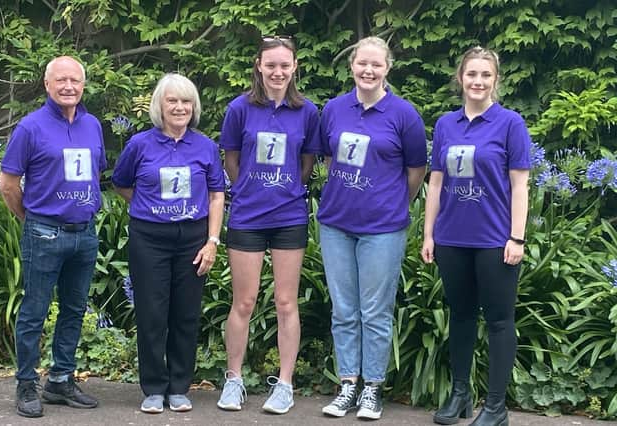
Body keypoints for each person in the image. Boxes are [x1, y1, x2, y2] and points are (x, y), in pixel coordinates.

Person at [318, 36, 427, 420]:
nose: (368, 70)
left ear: (387, 69)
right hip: (335, 224)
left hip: (383, 227)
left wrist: (396, 202)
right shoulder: (333, 110)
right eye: (362, 63)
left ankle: (372, 390)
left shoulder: (404, 115)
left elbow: (416, 171)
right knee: (344, 310)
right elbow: (330, 159)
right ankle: (348, 385)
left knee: (375, 311)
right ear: (352, 66)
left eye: (376, 65)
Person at [421, 46, 530, 426]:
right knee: (462, 317)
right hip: (452, 238)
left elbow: (520, 186)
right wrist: (429, 234)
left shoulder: (510, 123)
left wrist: (517, 238)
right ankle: (460, 396)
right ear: (460, 78)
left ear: (495, 80)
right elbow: (435, 185)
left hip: (495, 241)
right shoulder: (445, 125)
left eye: (485, 75)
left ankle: (496, 408)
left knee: (499, 321)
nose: (478, 82)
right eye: (471, 74)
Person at [216, 35, 320, 415]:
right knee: (243, 302)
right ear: (258, 66)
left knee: (285, 301)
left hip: (289, 216)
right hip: (247, 216)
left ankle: (286, 384)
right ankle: (233, 380)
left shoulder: (307, 112)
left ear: (295, 68)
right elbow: (231, 158)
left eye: (285, 65)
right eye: (270, 65)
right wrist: (246, 189)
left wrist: (290, 188)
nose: (278, 72)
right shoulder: (239, 109)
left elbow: (307, 161)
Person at [0, 56, 105, 418]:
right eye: (61, 80)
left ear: (83, 85)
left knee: (74, 309)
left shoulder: (92, 125)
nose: (68, 86)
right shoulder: (30, 127)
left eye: (75, 80)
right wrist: (31, 219)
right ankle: (26, 383)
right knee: (34, 311)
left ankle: (60, 379)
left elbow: (93, 174)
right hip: (44, 232)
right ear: (47, 85)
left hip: (84, 234)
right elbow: (7, 185)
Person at [112, 73, 225, 414]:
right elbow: (121, 184)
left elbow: (217, 195)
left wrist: (212, 241)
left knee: (186, 315)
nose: (179, 107)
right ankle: (153, 388)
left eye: (186, 101)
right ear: (160, 106)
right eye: (172, 101)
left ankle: (179, 387)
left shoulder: (205, 146)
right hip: (150, 239)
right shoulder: (139, 145)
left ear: (194, 106)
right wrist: (149, 207)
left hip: (193, 239)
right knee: (152, 314)